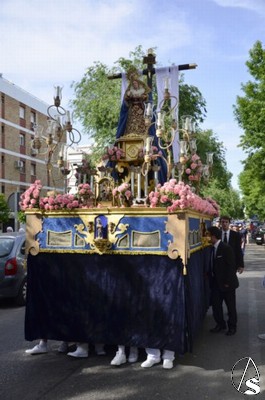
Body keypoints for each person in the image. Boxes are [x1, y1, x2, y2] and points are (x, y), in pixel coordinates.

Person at [207, 226, 239, 336]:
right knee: (216, 306)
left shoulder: (225, 248)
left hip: (227, 283)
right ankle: (220, 324)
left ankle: (232, 327)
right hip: (216, 283)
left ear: (213, 236)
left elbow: (231, 267)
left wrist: (227, 282)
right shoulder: (211, 248)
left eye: (208, 235)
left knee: (230, 307)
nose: (207, 238)